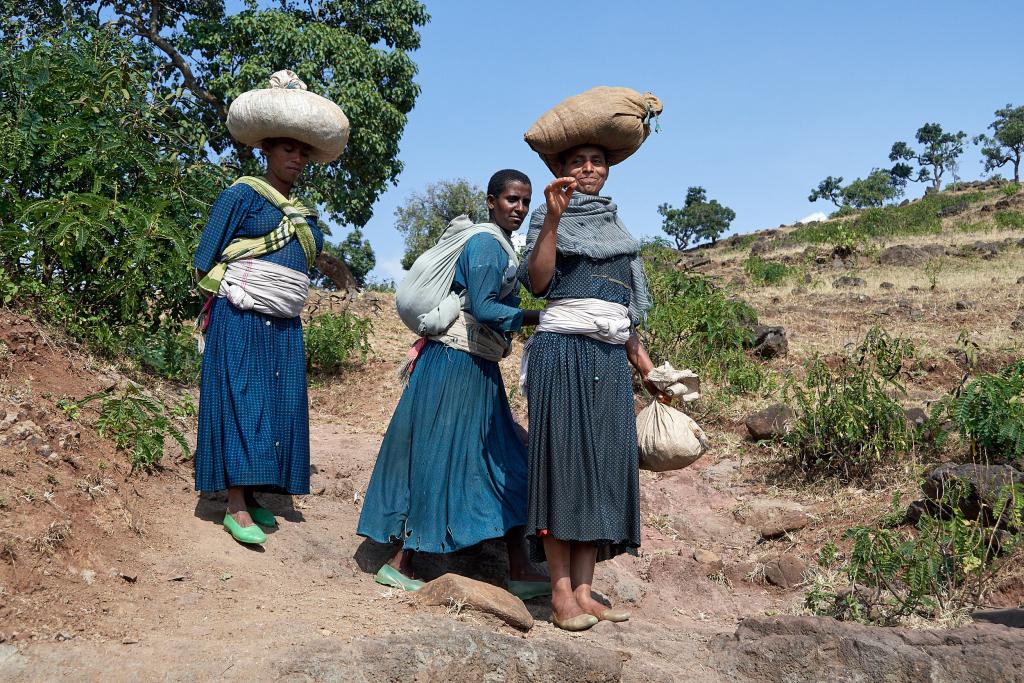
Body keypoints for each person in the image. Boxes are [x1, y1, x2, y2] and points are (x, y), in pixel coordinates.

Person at [357, 170, 549, 597]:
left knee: (508, 461)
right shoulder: (484, 244)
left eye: (525, 201)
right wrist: (545, 317)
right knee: (439, 457)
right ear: (491, 201)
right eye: (511, 200)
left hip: (474, 368)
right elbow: (483, 306)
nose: (518, 208)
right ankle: (400, 560)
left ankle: (520, 568)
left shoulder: (499, 247)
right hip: (455, 367)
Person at [193, 70, 348, 546]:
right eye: (287, 149)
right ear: (265, 150)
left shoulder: (302, 214)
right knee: (242, 398)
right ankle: (234, 502)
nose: (296, 158)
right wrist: (234, 296)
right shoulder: (241, 195)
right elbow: (203, 260)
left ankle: (256, 492)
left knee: (276, 403)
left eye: (303, 151)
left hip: (282, 323)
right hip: (240, 316)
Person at [519, 144, 665, 631]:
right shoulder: (548, 215)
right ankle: (559, 594)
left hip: (608, 361)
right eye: (577, 162)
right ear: (560, 170)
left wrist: (650, 372)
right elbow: (538, 286)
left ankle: (585, 591)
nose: (588, 169)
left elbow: (623, 319)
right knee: (561, 470)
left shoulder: (619, 231)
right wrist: (553, 222)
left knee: (602, 471)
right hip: (561, 356)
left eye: (597, 162)